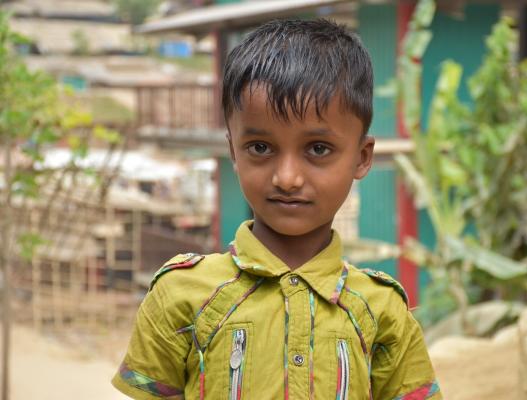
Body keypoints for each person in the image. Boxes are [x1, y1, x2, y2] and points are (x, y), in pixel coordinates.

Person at [112, 19, 441, 400]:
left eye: (318, 149)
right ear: (233, 150)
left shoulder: (382, 311)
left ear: (361, 157)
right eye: (261, 148)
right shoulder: (181, 295)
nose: (286, 178)